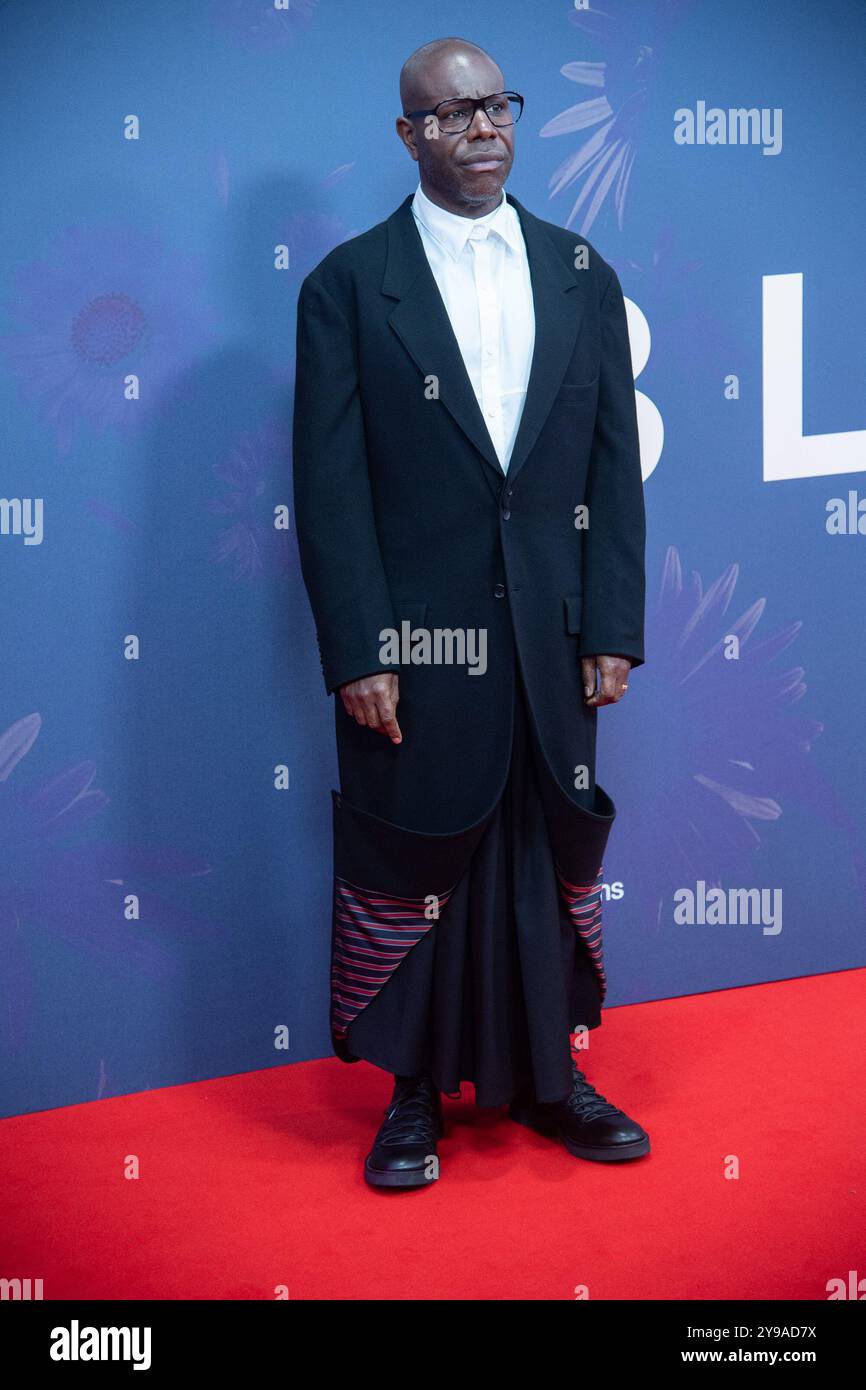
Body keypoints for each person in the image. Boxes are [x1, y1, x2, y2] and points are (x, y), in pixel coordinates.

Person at [292, 36, 649, 1188]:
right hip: (413, 643)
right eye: (451, 115)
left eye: (497, 106)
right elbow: (330, 486)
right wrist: (359, 647)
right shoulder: (347, 286)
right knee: (415, 851)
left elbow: (609, 474)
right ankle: (409, 1097)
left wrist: (609, 624)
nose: (482, 128)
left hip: (548, 634)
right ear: (408, 135)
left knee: (544, 849)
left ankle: (553, 1077)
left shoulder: (582, 270)